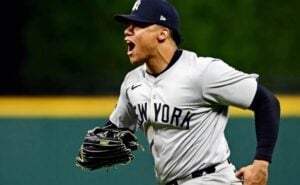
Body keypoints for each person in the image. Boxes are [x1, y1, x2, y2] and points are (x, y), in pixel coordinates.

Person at [105, 0, 280, 184]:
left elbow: (267, 102)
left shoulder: (203, 72)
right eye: (128, 25)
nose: (127, 30)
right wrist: (97, 143)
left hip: (212, 179)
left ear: (163, 33)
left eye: (138, 25)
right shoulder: (132, 82)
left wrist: (261, 163)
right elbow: (116, 129)